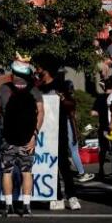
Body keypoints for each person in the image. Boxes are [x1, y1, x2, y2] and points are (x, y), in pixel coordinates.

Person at [0, 59, 45, 217]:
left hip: (7, 139)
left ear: (13, 74)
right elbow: (41, 112)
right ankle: (26, 206)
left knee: (7, 172)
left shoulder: (3, 89)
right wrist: (34, 134)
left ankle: (8, 206)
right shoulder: (34, 91)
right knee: (26, 171)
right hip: (28, 139)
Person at [37, 59, 80, 210]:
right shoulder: (38, 87)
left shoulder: (61, 85)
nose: (37, 70)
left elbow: (72, 105)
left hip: (59, 129)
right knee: (49, 163)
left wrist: (62, 98)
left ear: (46, 69)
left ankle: (72, 196)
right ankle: (57, 196)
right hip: (44, 131)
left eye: (39, 67)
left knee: (63, 163)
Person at [89, 77, 112, 181]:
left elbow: (92, 113)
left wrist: (101, 112)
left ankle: (101, 170)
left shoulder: (100, 98)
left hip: (103, 126)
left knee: (103, 150)